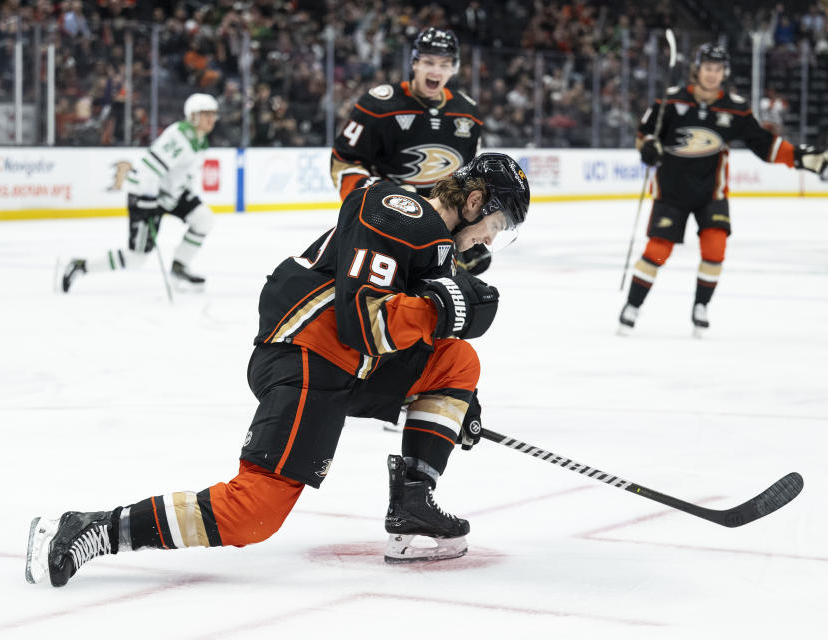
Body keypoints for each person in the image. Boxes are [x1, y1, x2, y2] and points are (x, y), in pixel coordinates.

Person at [26, 153, 531, 587]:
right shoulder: (397, 210)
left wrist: (450, 405)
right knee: (254, 514)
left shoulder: (439, 251)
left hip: (348, 364)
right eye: (499, 223)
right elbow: (363, 322)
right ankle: (91, 527)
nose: (492, 238)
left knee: (457, 362)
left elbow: (418, 340)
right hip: (307, 351)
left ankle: (413, 505)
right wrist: (442, 310)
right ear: (474, 201)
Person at [618, 43, 828, 336]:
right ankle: (633, 305)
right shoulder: (668, 102)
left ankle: (701, 307)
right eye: (707, 68)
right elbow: (643, 138)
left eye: (717, 70)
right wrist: (649, 150)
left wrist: (797, 157)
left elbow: (764, 145)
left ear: (724, 73)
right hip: (671, 192)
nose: (712, 75)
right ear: (697, 70)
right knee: (657, 251)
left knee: (715, 248)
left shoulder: (734, 108)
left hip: (712, 194)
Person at [330, 27, 491, 275]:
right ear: (414, 62)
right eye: (428, 62)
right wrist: (379, 198)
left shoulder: (468, 114)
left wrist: (470, 226)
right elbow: (343, 161)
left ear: (454, 68)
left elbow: (469, 177)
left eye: (444, 64)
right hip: (385, 227)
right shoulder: (379, 106)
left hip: (438, 230)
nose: (436, 71)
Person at [60, 93, 219, 293]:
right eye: (206, 114)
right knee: (136, 258)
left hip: (169, 194)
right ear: (193, 116)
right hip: (145, 195)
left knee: (203, 219)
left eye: (213, 114)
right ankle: (80, 266)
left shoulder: (200, 140)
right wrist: (148, 203)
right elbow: (149, 171)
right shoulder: (180, 138)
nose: (211, 119)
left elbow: (182, 174)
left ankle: (179, 267)